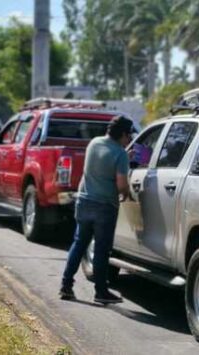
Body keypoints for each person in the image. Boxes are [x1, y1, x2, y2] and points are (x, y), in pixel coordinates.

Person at [60, 115, 134, 304]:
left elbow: (100, 165)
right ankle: (101, 292)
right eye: (129, 135)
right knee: (101, 250)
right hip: (104, 206)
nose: (130, 139)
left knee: (79, 244)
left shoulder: (94, 143)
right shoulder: (120, 154)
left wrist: (123, 157)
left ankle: (65, 286)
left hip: (83, 202)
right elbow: (121, 185)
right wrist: (126, 193)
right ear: (123, 134)